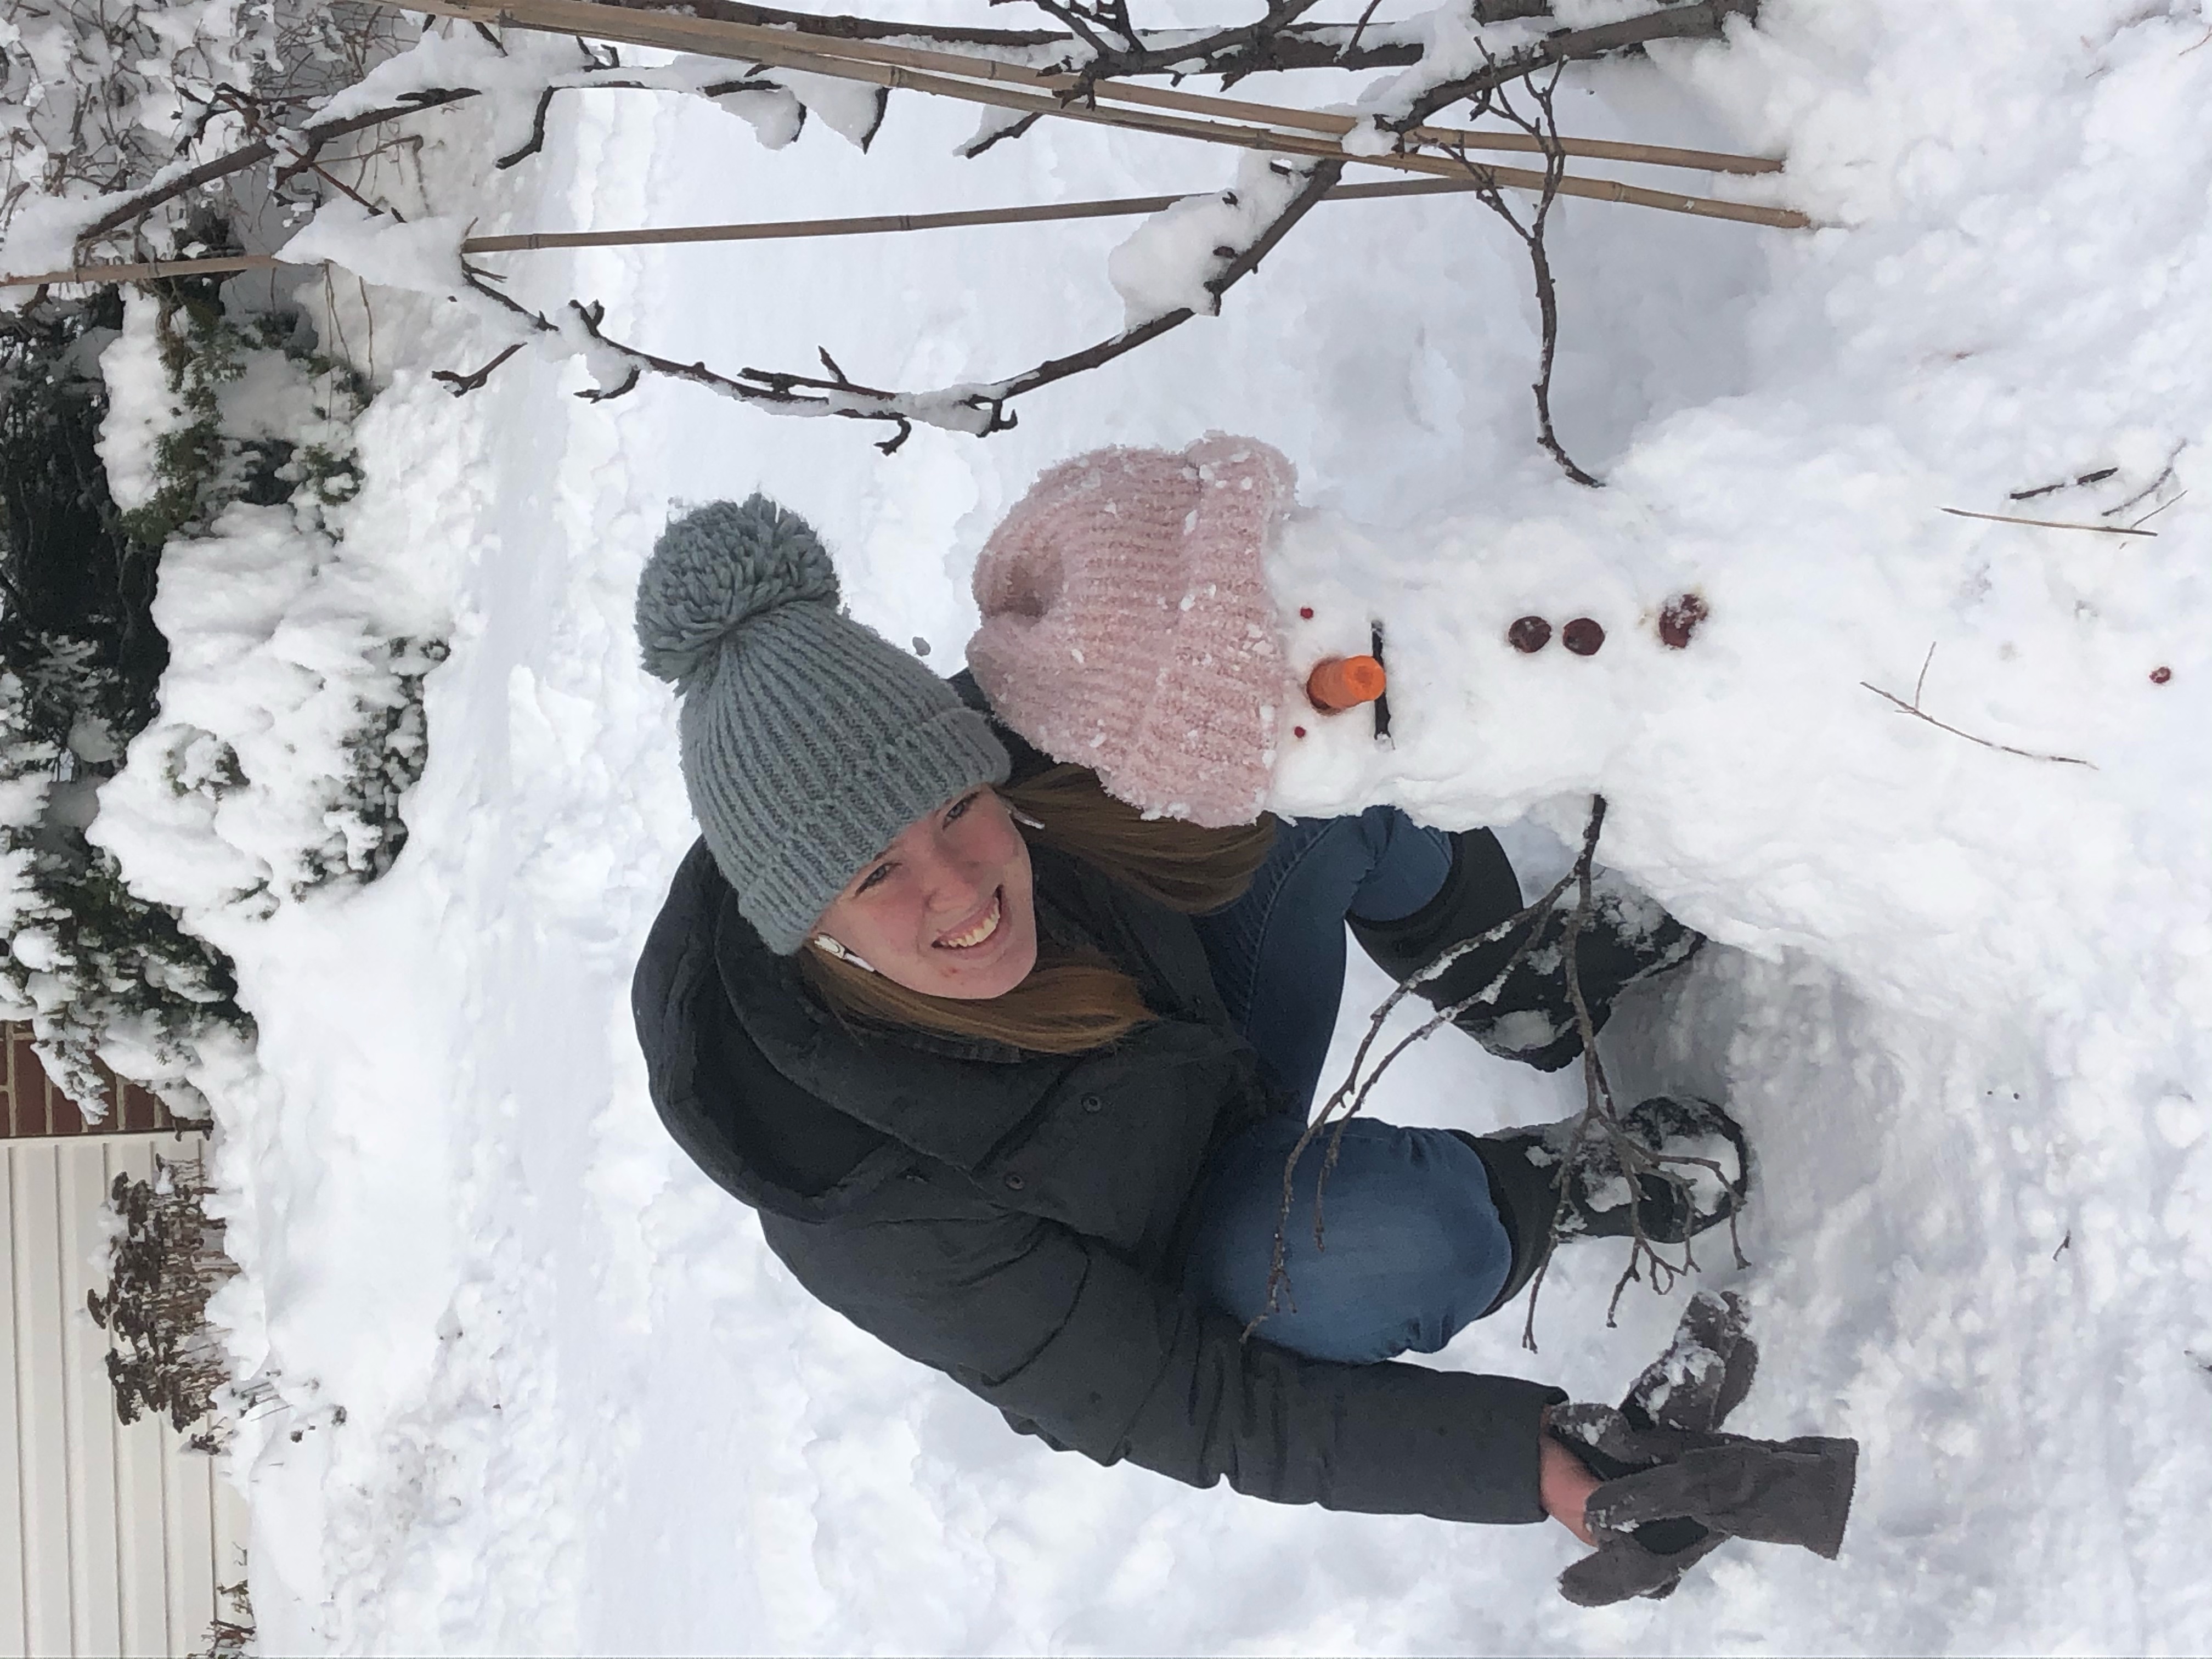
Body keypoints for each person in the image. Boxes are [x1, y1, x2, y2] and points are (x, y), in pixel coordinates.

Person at [630, 494, 1743, 1545]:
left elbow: (1219, 604)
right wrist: (1529, 1464)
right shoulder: (853, 1193)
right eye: (877, 873)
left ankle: (1528, 992)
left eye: (960, 806)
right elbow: (1197, 1407)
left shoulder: (1032, 732)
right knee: (1391, 1244)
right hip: (1209, 1233)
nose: (959, 886)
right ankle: (1562, 1185)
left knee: (1312, 768)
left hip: (1211, 1027)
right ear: (809, 928)